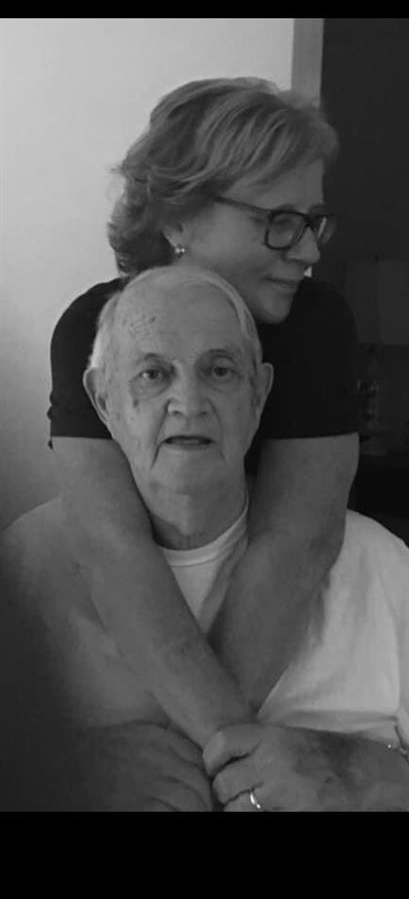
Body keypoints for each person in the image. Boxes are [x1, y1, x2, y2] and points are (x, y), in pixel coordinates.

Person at [3, 265, 409, 811]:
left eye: (220, 371)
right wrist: (63, 774)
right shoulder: (25, 566)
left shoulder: (372, 564)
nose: (189, 403)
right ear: (103, 402)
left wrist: (371, 775)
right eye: (153, 374)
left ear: (259, 395)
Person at [47, 77, 360, 749]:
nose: (307, 250)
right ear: (178, 217)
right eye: (276, 220)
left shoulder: (315, 326)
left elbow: (296, 544)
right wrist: (222, 746)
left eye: (311, 221)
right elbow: (112, 550)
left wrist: (204, 756)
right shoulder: (93, 330)